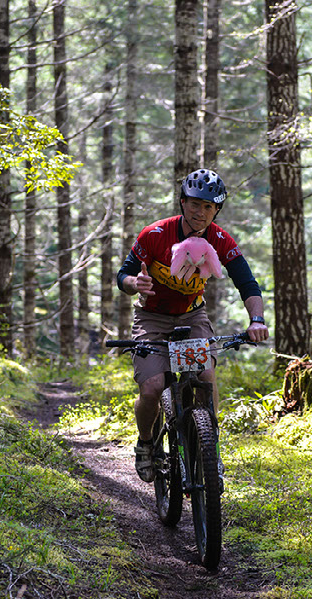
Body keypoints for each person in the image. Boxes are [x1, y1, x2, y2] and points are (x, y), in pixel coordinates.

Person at [116, 168, 269, 482]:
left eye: (209, 207)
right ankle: (146, 444)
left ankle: (210, 450)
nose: (201, 212)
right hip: (152, 318)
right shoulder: (155, 234)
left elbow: (248, 284)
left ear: (216, 210)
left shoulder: (220, 239)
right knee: (153, 387)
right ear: (183, 203)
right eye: (195, 204)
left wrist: (256, 319)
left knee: (206, 374)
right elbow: (123, 276)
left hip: (192, 316)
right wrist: (135, 282)